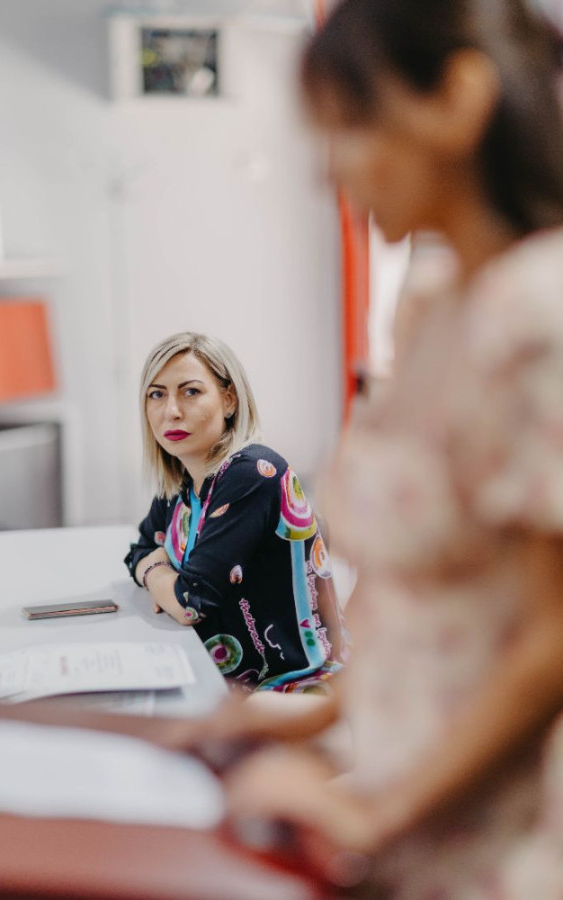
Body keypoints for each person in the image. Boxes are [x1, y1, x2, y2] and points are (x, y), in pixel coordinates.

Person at [224, 0, 563, 895]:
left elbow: (550, 641)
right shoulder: (439, 307)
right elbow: (440, 612)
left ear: (457, 99)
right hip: (405, 804)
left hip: (496, 840)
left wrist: (378, 813)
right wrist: (311, 719)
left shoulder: (537, 315)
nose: (328, 171)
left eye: (352, 126)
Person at [124, 332, 346, 693]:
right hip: (219, 677)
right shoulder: (182, 482)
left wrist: (155, 571)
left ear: (229, 400)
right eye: (157, 394)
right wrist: (159, 573)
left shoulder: (252, 473)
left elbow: (190, 603)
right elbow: (139, 550)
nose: (171, 411)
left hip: (293, 686)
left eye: (190, 391)